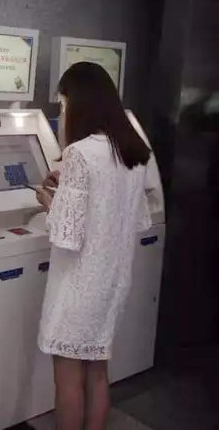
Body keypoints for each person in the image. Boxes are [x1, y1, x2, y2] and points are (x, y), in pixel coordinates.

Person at [34, 61, 152, 430]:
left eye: (63, 103)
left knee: (67, 378)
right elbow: (131, 216)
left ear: (78, 102)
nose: (62, 111)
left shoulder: (80, 153)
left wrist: (50, 202)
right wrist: (68, 188)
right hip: (112, 282)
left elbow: (66, 234)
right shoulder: (132, 149)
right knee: (98, 372)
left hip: (79, 284)